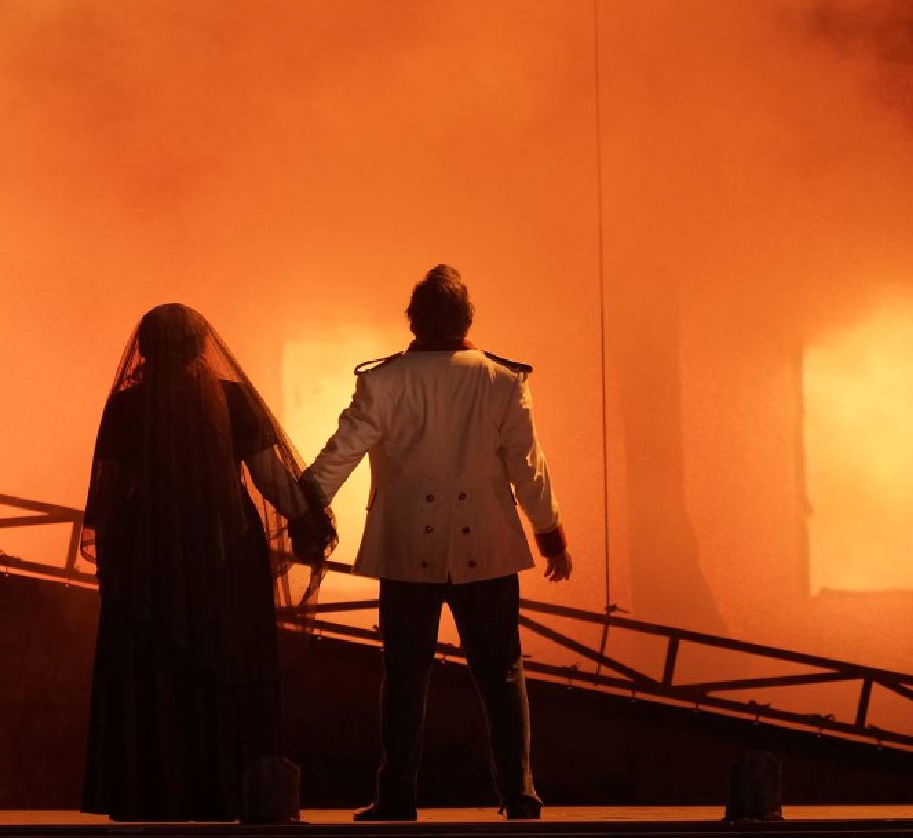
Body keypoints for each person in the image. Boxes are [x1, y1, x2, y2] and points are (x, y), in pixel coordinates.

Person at [303, 265, 573, 821]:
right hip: (489, 549)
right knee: (502, 673)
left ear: (414, 319)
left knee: (404, 675)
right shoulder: (503, 381)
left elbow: (341, 454)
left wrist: (300, 506)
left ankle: (397, 795)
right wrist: (550, 538)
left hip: (406, 552)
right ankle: (519, 793)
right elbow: (528, 470)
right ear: (466, 319)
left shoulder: (383, 381)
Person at [80, 303, 334, 820]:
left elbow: (107, 496)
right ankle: (224, 790)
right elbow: (272, 480)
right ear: (201, 347)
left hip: (148, 561)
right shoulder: (231, 400)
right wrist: (310, 522)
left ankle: (153, 793)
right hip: (225, 558)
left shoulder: (129, 407)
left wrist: (119, 554)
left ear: (145, 349)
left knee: (155, 675)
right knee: (226, 668)